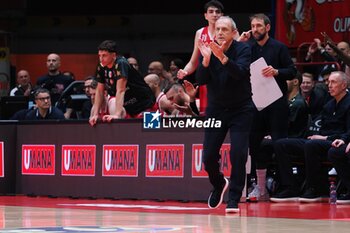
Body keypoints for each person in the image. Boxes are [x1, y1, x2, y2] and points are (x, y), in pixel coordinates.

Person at [196, 16, 254, 213]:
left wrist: (222, 57)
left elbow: (240, 73)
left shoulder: (243, 49)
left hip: (241, 109)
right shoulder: (208, 50)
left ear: (233, 33)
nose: (219, 32)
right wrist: (205, 61)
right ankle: (219, 183)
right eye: (217, 29)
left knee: (238, 153)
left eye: (224, 29)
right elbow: (201, 80)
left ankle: (234, 198)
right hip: (217, 109)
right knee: (209, 156)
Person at [239, 13, 297, 200]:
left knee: (280, 143)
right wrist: (240, 42)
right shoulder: (248, 48)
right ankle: (259, 186)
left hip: (277, 103)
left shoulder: (279, 47)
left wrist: (276, 71)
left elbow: (292, 71)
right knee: (253, 144)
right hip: (256, 104)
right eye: (253, 26)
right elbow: (236, 65)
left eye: (258, 26)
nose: (255, 29)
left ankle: (287, 186)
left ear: (268, 27)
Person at [270, 71, 350, 202]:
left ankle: (313, 188)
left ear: (343, 85)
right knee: (281, 144)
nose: (329, 85)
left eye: (333, 82)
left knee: (311, 144)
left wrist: (325, 138)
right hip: (321, 141)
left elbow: (347, 132)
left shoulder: (348, 103)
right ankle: (290, 187)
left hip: (338, 142)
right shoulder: (329, 105)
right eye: (328, 82)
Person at [89, 40, 155, 126]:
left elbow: (120, 90)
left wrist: (117, 114)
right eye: (99, 56)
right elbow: (99, 91)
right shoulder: (101, 66)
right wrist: (95, 114)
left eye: (104, 56)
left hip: (145, 104)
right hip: (129, 108)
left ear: (113, 55)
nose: (101, 59)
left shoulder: (121, 63)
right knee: (131, 137)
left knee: (151, 133)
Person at [177, 0, 224, 115]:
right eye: (211, 12)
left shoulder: (228, 32)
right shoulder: (200, 33)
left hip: (223, 80)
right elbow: (193, 63)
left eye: (217, 12)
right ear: (205, 15)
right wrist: (185, 71)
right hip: (206, 81)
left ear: (222, 15)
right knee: (207, 118)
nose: (214, 14)